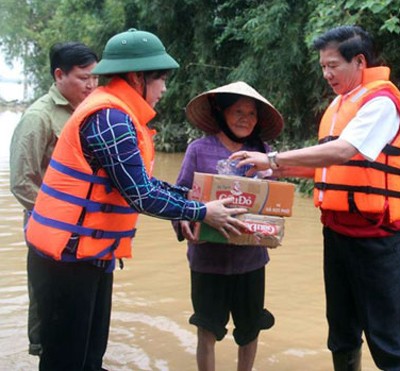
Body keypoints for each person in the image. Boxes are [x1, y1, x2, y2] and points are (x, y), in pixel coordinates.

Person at [23, 28, 247, 370]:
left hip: (89, 256)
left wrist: (186, 199)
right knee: (65, 361)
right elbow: (140, 194)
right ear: (136, 77)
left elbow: (141, 183)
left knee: (88, 359)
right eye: (160, 79)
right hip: (67, 260)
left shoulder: (118, 115)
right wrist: (201, 210)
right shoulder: (110, 118)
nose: (164, 89)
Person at [231, 25, 400, 371]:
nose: (326, 74)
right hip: (337, 232)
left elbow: (343, 151)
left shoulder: (381, 102)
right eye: (322, 67)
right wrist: (274, 172)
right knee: (341, 329)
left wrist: (272, 159)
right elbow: (329, 170)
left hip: (376, 237)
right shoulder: (341, 104)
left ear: (359, 61)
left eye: (333, 65)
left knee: (386, 335)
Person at [174, 81, 284, 371]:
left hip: (251, 261)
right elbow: (179, 194)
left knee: (250, 329)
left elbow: (272, 203)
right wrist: (183, 218)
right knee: (206, 328)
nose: (245, 118)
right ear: (221, 113)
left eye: (251, 113)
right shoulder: (198, 150)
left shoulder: (263, 153)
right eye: (238, 111)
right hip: (207, 260)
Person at [9, 41, 99, 356]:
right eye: (83, 77)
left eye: (95, 77)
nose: (91, 84)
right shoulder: (39, 117)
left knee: (83, 317)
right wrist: (64, 217)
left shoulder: (92, 112)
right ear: (59, 75)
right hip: (51, 233)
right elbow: (22, 183)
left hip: (88, 235)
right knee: (51, 311)